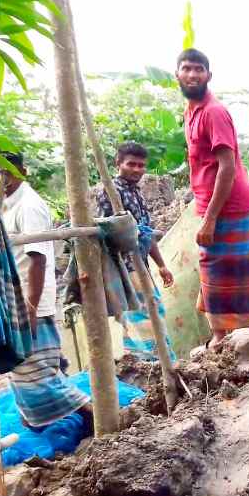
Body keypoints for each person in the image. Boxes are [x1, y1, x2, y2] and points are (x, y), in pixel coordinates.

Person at [177, 48, 249, 350]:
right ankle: (222, 335)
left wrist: (210, 219)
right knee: (215, 269)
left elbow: (227, 166)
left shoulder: (213, 112)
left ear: (209, 75)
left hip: (230, 207)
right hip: (212, 205)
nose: (193, 74)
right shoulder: (191, 111)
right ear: (177, 74)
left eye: (199, 69)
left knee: (229, 268)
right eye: (187, 68)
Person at [0, 152, 92, 430]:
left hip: (31, 300)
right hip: (19, 300)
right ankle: (44, 424)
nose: (1, 178)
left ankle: (96, 417)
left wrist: (31, 304)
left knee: (39, 377)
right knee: (27, 374)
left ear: (21, 171)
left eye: (6, 171)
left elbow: (37, 257)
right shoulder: (6, 205)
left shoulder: (29, 205)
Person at [95, 142, 175, 361]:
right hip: (124, 267)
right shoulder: (110, 192)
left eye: (141, 166)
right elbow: (104, 235)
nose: (137, 170)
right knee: (142, 318)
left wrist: (161, 265)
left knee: (150, 314)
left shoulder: (137, 193)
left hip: (141, 265)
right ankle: (149, 365)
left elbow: (146, 233)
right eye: (132, 164)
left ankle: (152, 363)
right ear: (118, 163)